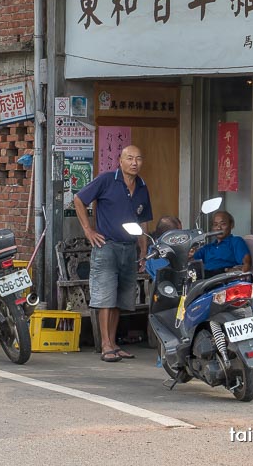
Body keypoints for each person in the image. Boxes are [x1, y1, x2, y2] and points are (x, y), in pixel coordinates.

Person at [73, 145, 153, 363]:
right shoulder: (107, 179)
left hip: (129, 248)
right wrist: (88, 230)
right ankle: (105, 345)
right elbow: (79, 199)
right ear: (120, 160)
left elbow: (144, 220)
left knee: (121, 298)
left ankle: (114, 343)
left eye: (138, 158)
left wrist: (144, 250)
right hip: (107, 246)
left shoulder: (142, 186)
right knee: (106, 297)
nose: (134, 163)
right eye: (129, 158)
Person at [191, 210, 251, 276]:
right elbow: (191, 260)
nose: (219, 228)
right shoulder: (208, 247)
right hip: (204, 277)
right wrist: (189, 253)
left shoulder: (236, 241)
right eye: (215, 225)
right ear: (212, 228)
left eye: (223, 224)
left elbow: (246, 263)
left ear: (231, 225)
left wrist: (242, 270)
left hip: (223, 277)